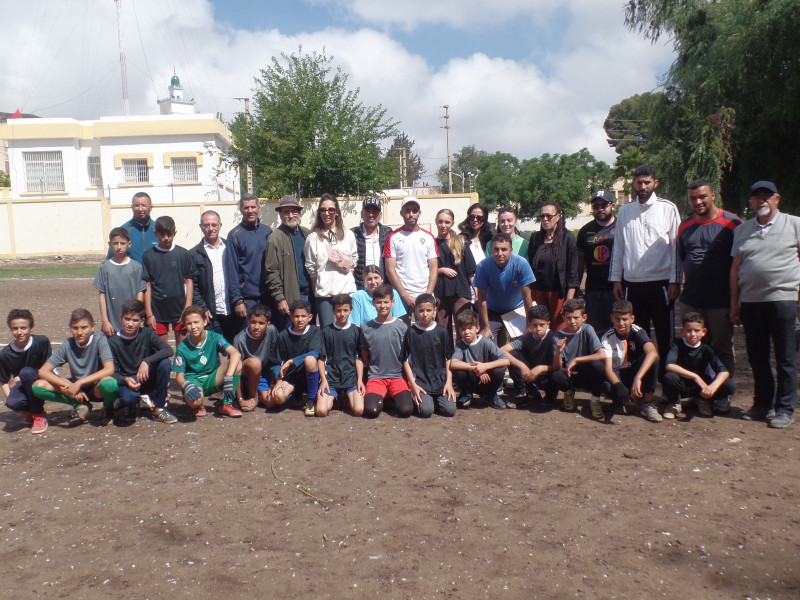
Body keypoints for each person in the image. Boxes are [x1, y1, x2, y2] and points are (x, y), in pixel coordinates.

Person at [730, 180, 800, 429]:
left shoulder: (794, 224)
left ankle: (785, 408)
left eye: (767, 196)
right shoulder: (742, 231)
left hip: (783, 300)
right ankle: (762, 404)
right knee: (757, 357)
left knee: (785, 358)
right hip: (751, 302)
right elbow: (735, 269)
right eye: (757, 196)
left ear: (777, 199)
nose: (762, 200)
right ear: (751, 202)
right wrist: (734, 303)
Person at [610, 164, 681, 380]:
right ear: (633, 184)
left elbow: (676, 248)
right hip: (632, 284)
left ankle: (667, 383)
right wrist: (616, 279)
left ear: (655, 183)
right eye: (639, 182)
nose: (643, 187)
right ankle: (640, 382)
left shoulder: (668, 208)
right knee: (637, 336)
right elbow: (619, 247)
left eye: (647, 182)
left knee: (665, 336)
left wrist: (675, 280)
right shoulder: (625, 211)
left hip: (661, 283)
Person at [677, 179, 742, 374]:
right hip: (691, 300)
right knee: (694, 348)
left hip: (720, 302)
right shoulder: (684, 226)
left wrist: (735, 301)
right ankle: (699, 388)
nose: (697, 202)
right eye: (693, 198)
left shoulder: (733, 223)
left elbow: (742, 263)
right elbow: (682, 258)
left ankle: (723, 389)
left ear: (713, 195)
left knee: (722, 349)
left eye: (702, 196)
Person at [32, 309, 117, 427]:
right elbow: (43, 371)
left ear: (93, 327)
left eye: (84, 327)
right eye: (75, 328)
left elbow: (109, 369)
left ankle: (108, 409)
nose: (79, 332)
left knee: (110, 383)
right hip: (75, 388)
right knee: (38, 386)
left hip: (95, 386)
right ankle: (80, 405)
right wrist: (67, 386)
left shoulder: (99, 339)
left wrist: (79, 383)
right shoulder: (68, 344)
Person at [108, 299, 175, 425]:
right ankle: (127, 402)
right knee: (129, 399)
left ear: (142, 321)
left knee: (165, 363)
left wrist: (146, 361)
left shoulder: (147, 333)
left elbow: (168, 350)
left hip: (146, 378)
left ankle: (158, 408)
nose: (130, 324)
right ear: (120, 318)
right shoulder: (113, 341)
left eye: (135, 320)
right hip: (128, 381)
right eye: (127, 319)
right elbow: (113, 371)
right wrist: (125, 379)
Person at [172, 305, 243, 418]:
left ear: (205, 321)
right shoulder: (182, 347)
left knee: (237, 364)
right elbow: (179, 377)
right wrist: (186, 385)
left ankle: (227, 404)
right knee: (195, 401)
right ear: (185, 325)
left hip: (212, 378)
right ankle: (197, 405)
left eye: (196, 322)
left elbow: (235, 353)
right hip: (194, 381)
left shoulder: (214, 337)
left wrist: (229, 378)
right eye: (189, 323)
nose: (193, 327)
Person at [663, 312, 736, 419]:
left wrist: (712, 387)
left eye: (697, 330)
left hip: (700, 386)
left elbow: (724, 372)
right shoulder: (677, 344)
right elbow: (669, 365)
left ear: (704, 332)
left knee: (730, 385)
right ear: (682, 331)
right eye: (688, 330)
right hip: (682, 384)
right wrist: (695, 376)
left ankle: (702, 400)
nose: (692, 334)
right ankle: (674, 403)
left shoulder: (707, 348)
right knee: (670, 377)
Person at [358, 284, 413, 418]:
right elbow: (364, 354)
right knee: (371, 411)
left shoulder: (402, 327)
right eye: (379, 302)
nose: (383, 306)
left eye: (386, 302)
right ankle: (383, 397)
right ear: (373, 303)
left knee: (406, 410)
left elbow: (407, 356)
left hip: (397, 376)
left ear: (393, 302)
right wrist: (373, 367)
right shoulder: (367, 328)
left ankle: (391, 398)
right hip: (376, 377)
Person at [304, 193, 358, 328]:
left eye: (331, 210)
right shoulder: (312, 238)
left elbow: (353, 262)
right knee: (328, 334)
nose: (326, 213)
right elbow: (312, 270)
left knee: (347, 333)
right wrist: (318, 290)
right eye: (323, 210)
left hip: (346, 293)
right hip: (324, 296)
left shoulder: (348, 235)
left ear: (337, 212)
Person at [601, 300, 660, 422]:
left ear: (632, 318)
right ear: (612, 318)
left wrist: (638, 378)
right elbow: (608, 369)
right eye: (617, 319)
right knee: (606, 385)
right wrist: (619, 386)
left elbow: (652, 352)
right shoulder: (607, 337)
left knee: (654, 359)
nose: (621, 323)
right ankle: (620, 401)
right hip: (618, 374)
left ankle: (648, 403)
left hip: (635, 373)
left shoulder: (638, 331)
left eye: (625, 319)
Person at [142, 216, 197, 346]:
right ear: (155, 234)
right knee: (162, 350)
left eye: (169, 234)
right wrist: (149, 314)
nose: (166, 238)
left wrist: (187, 307)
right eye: (162, 234)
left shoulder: (183, 254)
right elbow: (147, 285)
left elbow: (189, 281)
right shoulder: (149, 256)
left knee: (183, 349)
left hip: (180, 308)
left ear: (174, 233)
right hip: (157, 310)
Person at [473, 232, 535, 344]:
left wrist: (529, 324)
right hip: (493, 310)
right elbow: (482, 299)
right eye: (496, 249)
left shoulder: (521, 264)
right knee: (487, 342)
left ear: (511, 250)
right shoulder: (483, 266)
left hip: (517, 309)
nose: (500, 253)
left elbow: (527, 297)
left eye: (504, 249)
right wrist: (485, 327)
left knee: (522, 343)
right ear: (491, 250)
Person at [526, 201, 579, 331]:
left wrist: (569, 300)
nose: (545, 219)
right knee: (540, 330)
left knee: (560, 330)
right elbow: (530, 267)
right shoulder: (535, 238)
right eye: (542, 216)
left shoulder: (567, 238)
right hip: (538, 292)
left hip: (558, 294)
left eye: (549, 216)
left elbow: (573, 272)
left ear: (558, 217)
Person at [402, 293, 457, 418]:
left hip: (440, 382)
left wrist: (449, 383)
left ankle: (435, 401)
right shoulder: (411, 332)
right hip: (421, 383)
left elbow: (448, 359)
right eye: (421, 311)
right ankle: (426, 401)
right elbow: (406, 361)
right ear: (416, 311)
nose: (425, 314)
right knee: (426, 411)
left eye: (428, 310)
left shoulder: (442, 331)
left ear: (435, 311)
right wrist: (413, 385)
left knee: (450, 410)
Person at [191, 210, 241, 343]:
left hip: (233, 311)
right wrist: (202, 307)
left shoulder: (231, 248)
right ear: (201, 227)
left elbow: (240, 275)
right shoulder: (194, 254)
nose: (210, 228)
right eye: (206, 225)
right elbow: (194, 286)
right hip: (211, 314)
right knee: (214, 350)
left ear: (220, 225)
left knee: (235, 350)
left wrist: (240, 301)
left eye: (214, 224)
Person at [384, 197, 438, 315]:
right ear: (401, 213)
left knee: (426, 327)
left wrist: (428, 294)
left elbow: (434, 268)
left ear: (419, 213)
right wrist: (405, 295)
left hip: (424, 293)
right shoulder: (393, 237)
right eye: (407, 210)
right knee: (401, 327)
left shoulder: (429, 237)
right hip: (400, 296)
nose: (411, 214)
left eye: (414, 210)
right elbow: (390, 270)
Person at [550, 299, 605, 416]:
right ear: (563, 318)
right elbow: (557, 367)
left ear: (584, 317)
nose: (572, 321)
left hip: (585, 372)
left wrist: (576, 360)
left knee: (598, 365)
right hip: (569, 374)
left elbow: (601, 354)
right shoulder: (558, 336)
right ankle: (569, 393)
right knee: (556, 375)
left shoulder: (587, 329)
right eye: (569, 318)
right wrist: (558, 352)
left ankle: (595, 400)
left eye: (576, 317)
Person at [1, 309, 52, 434]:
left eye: (23, 328)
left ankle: (38, 414)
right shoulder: (5, 354)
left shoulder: (42, 342)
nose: (19, 332)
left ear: (32, 327)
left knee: (25, 373)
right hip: (23, 384)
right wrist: (12, 401)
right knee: (13, 402)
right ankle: (30, 411)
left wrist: (19, 378)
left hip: (43, 379)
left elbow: (50, 368)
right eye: (15, 328)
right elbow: (3, 381)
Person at [270, 299, 324, 416]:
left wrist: (292, 361)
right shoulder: (283, 335)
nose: (300, 319)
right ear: (291, 317)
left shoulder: (314, 331)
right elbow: (275, 361)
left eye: (303, 316)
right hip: (291, 377)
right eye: (296, 316)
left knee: (310, 359)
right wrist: (278, 380)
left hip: (308, 375)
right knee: (278, 398)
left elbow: (315, 353)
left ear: (310, 317)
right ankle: (295, 394)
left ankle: (311, 401)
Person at [265, 195, 311, 329]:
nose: (291, 215)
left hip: (310, 295)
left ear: (299, 213)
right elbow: (271, 272)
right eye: (286, 212)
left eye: (294, 211)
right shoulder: (274, 238)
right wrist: (280, 298)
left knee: (309, 333)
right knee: (292, 334)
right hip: (291, 298)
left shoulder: (307, 234)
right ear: (280, 214)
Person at [449, 310, 510, 410]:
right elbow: (453, 363)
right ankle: (466, 394)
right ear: (459, 330)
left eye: (470, 328)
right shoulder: (460, 344)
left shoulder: (486, 342)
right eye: (463, 329)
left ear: (477, 328)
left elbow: (506, 360)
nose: (467, 332)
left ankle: (490, 395)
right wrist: (476, 368)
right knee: (459, 372)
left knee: (499, 371)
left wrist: (485, 366)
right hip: (471, 379)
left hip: (486, 379)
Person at [316, 294, 365, 417]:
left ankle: (346, 398)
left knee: (358, 410)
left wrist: (360, 380)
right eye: (338, 310)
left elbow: (359, 358)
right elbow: (321, 359)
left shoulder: (356, 331)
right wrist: (323, 380)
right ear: (333, 311)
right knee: (321, 411)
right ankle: (336, 398)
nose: (342, 314)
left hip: (350, 378)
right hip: (331, 379)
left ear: (351, 310)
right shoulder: (326, 331)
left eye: (345, 310)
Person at [226, 194, 272, 322]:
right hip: (247, 299)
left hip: (269, 296)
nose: (250, 211)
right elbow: (232, 270)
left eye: (253, 207)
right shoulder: (234, 235)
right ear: (241, 210)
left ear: (259, 208)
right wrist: (237, 300)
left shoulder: (268, 232)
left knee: (270, 332)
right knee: (250, 333)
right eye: (246, 208)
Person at [576, 191, 617, 334]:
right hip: (593, 291)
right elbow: (580, 262)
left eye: (604, 205)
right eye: (596, 206)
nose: (600, 209)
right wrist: (577, 287)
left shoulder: (622, 227)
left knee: (618, 331)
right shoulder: (585, 231)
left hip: (617, 289)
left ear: (613, 206)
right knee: (596, 332)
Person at [500, 304, 557, 407]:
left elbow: (558, 365)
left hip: (547, 372)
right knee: (513, 354)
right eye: (535, 325)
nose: (538, 328)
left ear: (548, 324)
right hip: (530, 371)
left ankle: (551, 395)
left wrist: (540, 369)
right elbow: (502, 350)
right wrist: (522, 366)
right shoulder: (528, 337)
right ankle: (524, 392)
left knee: (557, 376)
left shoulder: (554, 338)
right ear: (529, 325)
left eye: (542, 325)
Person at [94, 227, 146, 337]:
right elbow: (102, 294)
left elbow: (140, 292)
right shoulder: (104, 267)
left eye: (122, 243)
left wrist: (136, 316)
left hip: (132, 323)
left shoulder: (136, 267)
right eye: (115, 243)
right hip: (112, 324)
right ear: (110, 244)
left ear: (129, 244)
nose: (119, 247)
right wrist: (105, 321)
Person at [434, 208, 476, 336]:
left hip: (460, 292)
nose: (443, 225)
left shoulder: (461, 242)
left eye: (447, 222)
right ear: (436, 222)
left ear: (452, 223)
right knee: (442, 331)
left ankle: (461, 350)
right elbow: (426, 270)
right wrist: (441, 270)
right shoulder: (432, 243)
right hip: (440, 293)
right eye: (440, 221)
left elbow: (471, 272)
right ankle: (446, 350)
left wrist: (477, 292)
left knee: (464, 329)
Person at [233, 303, 278, 411]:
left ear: (268, 324)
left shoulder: (272, 331)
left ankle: (260, 394)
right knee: (255, 363)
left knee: (270, 402)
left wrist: (274, 383)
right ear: (248, 322)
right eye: (253, 322)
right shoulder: (239, 339)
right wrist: (240, 399)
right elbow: (236, 370)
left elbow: (276, 358)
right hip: (247, 375)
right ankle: (252, 396)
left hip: (265, 374)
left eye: (261, 323)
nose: (257, 327)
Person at [351, 197, 392, 290]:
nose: (371, 215)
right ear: (362, 214)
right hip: (361, 289)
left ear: (380, 215)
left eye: (374, 211)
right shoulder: (353, 234)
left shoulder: (388, 233)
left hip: (383, 290)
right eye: (367, 211)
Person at [108, 191, 158, 263]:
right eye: (136, 205)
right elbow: (110, 260)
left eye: (144, 205)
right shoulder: (123, 231)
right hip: (131, 270)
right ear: (132, 207)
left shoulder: (159, 230)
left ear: (151, 207)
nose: (140, 209)